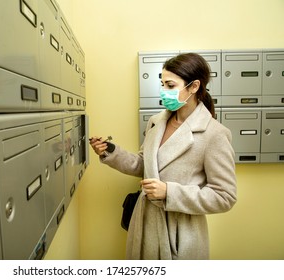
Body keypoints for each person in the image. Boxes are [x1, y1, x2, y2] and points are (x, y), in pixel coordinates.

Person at [90, 53, 237, 260]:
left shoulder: (214, 134)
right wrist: (110, 151)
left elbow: (225, 197)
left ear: (194, 87)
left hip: (181, 233)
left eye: (170, 85)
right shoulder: (156, 122)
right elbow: (144, 165)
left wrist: (169, 192)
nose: (163, 91)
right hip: (145, 223)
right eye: (162, 85)